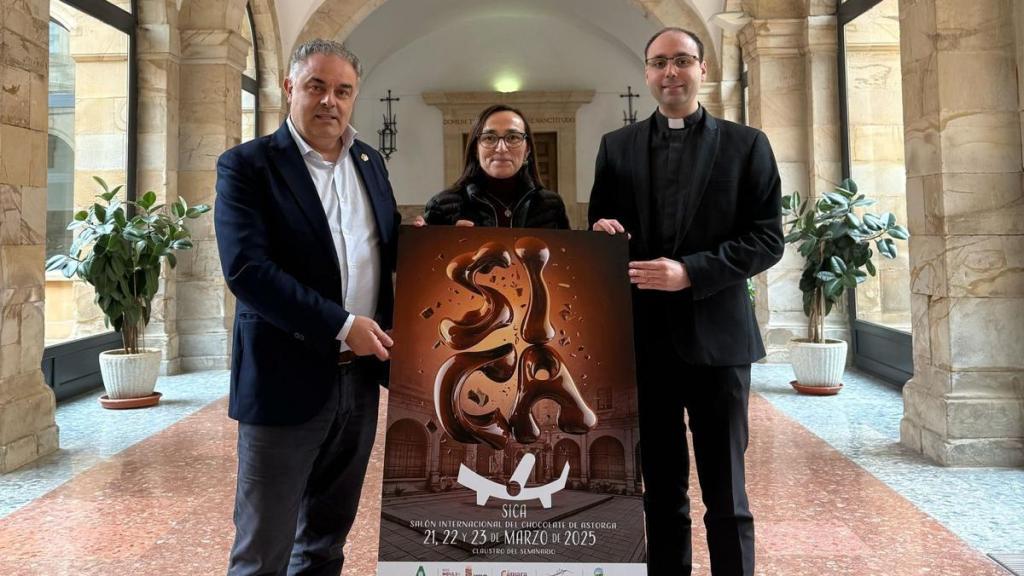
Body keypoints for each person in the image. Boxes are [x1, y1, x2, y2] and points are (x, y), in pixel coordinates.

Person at [588, 27, 784, 576]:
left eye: (682, 61)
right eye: (658, 63)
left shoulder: (748, 145)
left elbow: (768, 239)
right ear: (646, 73)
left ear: (701, 69)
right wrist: (601, 231)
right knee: (661, 492)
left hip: (719, 344)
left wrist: (689, 274)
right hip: (644, 346)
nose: (670, 73)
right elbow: (600, 228)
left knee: (727, 495)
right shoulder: (616, 147)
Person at [214, 39, 400, 576]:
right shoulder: (247, 166)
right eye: (317, 86)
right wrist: (342, 326)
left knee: (325, 541)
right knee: (263, 551)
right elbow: (248, 271)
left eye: (343, 91)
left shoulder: (369, 162)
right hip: (283, 381)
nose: (329, 102)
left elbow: (381, 248)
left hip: (360, 383)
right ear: (290, 88)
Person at [422, 104, 570, 229]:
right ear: (476, 149)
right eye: (489, 138)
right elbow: (426, 261)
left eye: (512, 137)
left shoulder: (552, 206)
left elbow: (567, 260)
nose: (501, 148)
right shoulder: (441, 206)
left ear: (528, 149)